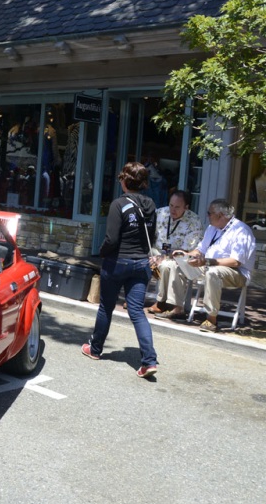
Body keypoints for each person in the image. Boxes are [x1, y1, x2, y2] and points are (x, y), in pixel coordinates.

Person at [82, 161, 159, 378]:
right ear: (142, 182)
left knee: (106, 307)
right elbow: (151, 236)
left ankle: (95, 349)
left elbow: (111, 239)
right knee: (136, 311)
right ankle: (149, 360)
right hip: (141, 263)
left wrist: (102, 251)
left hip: (118, 262)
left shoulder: (118, 204)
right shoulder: (151, 205)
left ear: (124, 181)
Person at [172, 199, 255, 333]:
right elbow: (201, 250)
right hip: (209, 265)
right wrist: (186, 255)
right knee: (179, 264)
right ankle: (177, 308)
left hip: (237, 273)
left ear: (221, 215)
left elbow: (236, 262)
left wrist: (208, 262)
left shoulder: (241, 230)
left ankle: (211, 318)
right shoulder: (212, 228)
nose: (207, 216)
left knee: (213, 272)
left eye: (209, 213)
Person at [146, 190, 203, 318]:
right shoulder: (160, 213)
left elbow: (186, 251)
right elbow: (149, 237)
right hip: (157, 251)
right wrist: (154, 256)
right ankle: (163, 303)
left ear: (186, 207)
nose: (173, 209)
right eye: (171, 205)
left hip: (178, 256)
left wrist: (163, 257)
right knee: (142, 256)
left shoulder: (193, 221)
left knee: (168, 265)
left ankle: (162, 302)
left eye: (177, 207)